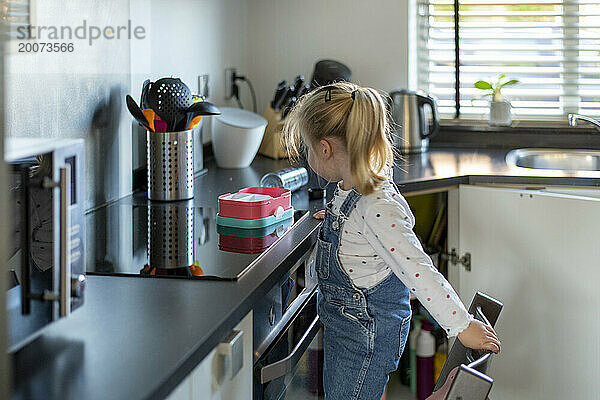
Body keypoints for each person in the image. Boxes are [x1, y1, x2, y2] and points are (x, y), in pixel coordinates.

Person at [282, 82, 500, 400]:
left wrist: (462, 326)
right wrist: (338, 228)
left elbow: (419, 271)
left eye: (309, 149)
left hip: (365, 335)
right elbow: (361, 235)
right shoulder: (352, 186)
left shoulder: (375, 206)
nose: (309, 156)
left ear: (326, 149)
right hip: (352, 330)